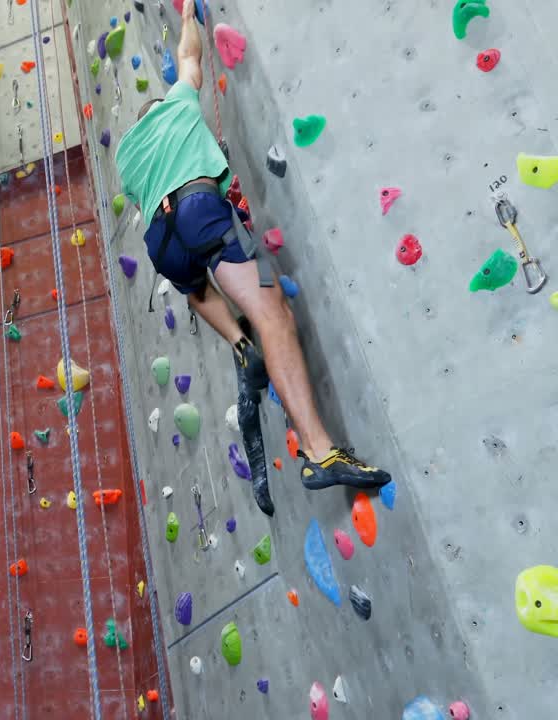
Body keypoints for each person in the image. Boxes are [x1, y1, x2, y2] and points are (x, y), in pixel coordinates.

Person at [113, 0, 390, 514]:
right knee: (274, 314)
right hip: (201, 209)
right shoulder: (175, 103)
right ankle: (320, 452)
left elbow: (170, 237)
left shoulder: (127, 159)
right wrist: (190, 20)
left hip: (162, 243)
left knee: (195, 286)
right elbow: (188, 56)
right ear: (161, 107)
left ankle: (239, 344)